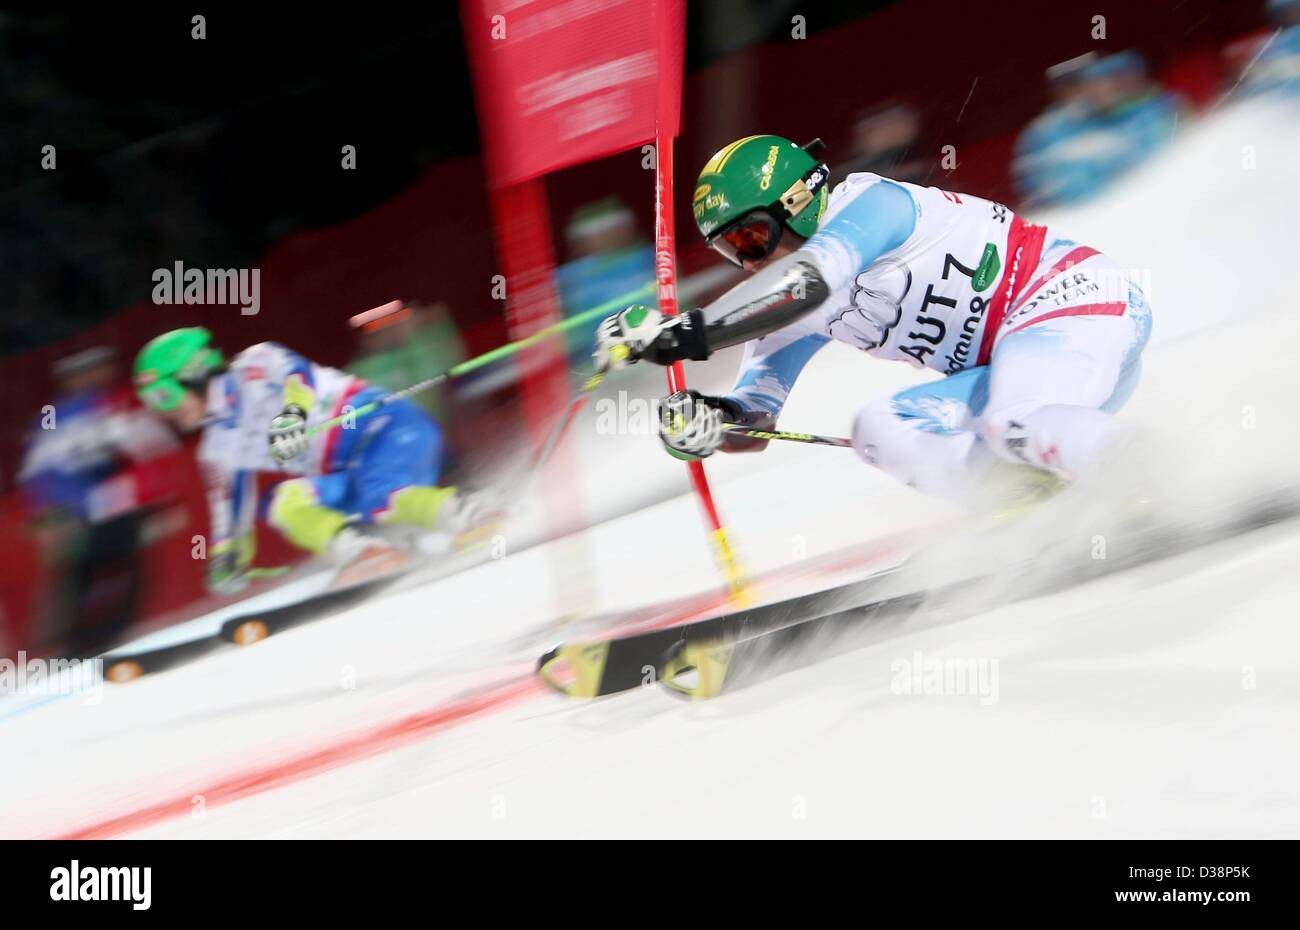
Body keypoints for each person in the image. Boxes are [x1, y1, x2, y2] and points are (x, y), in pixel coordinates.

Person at [593, 134, 1153, 506]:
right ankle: (1028, 507)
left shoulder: (869, 205)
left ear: (797, 200)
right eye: (730, 250)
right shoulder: (778, 300)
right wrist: (709, 421)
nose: (750, 260)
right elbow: (756, 418)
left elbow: (810, 283)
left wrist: (683, 333)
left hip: (1073, 305)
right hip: (1020, 370)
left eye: (751, 236)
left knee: (1011, 418)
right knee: (879, 427)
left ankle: (1147, 473)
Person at [132, 328, 487, 593]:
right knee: (284, 503)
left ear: (193, 372)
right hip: (346, 474)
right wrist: (228, 556)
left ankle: (471, 514)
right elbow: (228, 507)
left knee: (378, 490)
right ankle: (367, 551)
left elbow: (296, 376)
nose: (164, 410)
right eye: (151, 402)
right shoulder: (217, 447)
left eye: (163, 396)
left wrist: (292, 414)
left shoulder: (255, 363)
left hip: (388, 430)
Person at [19, 346, 176, 654]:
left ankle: (90, 642)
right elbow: (38, 473)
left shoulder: (59, 415)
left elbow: (151, 450)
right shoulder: (79, 411)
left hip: (95, 512)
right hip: (85, 514)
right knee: (82, 578)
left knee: (91, 576)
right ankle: (77, 644)